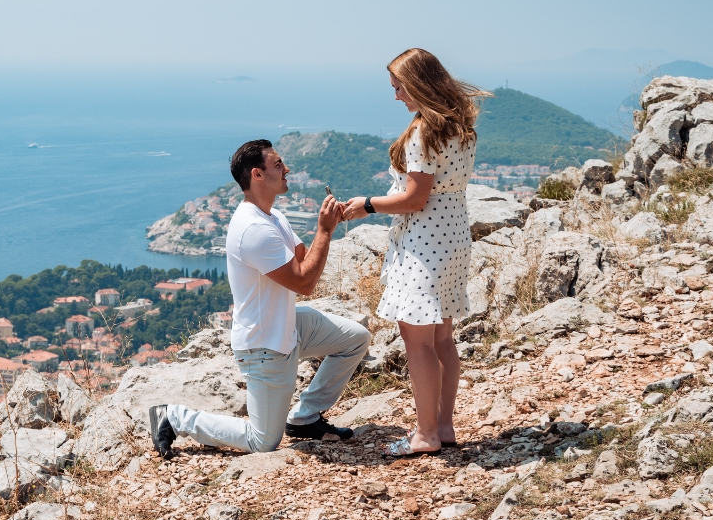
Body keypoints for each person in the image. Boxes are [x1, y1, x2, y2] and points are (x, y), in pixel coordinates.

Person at [148, 139, 371, 459]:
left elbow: (301, 261)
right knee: (263, 441)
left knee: (355, 338)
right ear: (257, 174)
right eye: (278, 165)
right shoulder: (252, 228)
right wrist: (324, 231)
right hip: (265, 346)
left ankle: (306, 417)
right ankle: (175, 417)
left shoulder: (274, 217)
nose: (287, 169)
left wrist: (329, 225)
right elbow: (305, 282)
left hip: (289, 326)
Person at [342, 48, 488, 457]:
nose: (396, 96)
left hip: (425, 242)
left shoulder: (425, 131)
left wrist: (366, 205)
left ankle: (424, 435)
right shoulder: (461, 126)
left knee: (418, 341)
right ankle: (443, 426)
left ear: (418, 83)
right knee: (442, 336)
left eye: (398, 86)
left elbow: (415, 198)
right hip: (455, 235)